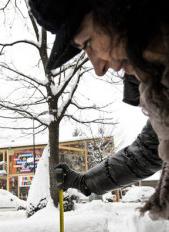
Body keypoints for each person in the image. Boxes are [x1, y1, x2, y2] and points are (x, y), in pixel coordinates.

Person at [29, 0, 169, 220]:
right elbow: (145, 154)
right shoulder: (163, 103)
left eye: (88, 43)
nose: (99, 68)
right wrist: (83, 182)